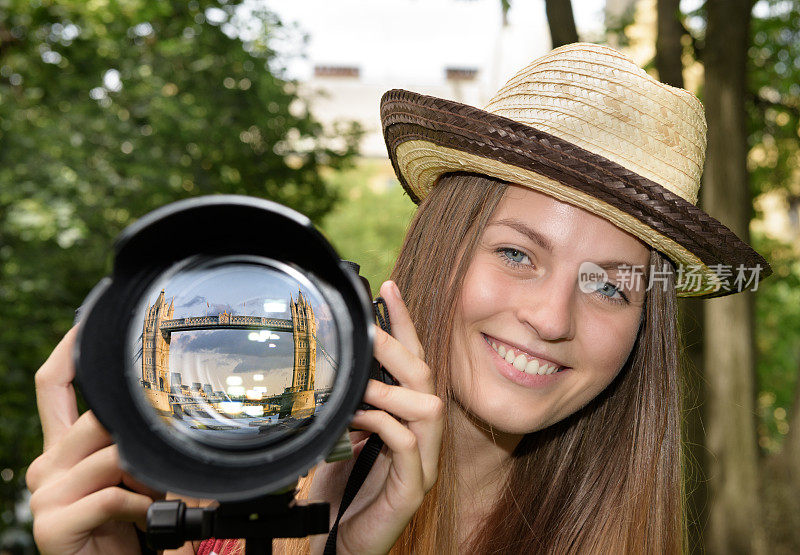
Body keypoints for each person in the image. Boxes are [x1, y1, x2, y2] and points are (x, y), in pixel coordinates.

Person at [26, 43, 769, 554]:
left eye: (609, 284)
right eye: (516, 253)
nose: (549, 317)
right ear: (445, 246)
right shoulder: (217, 513)